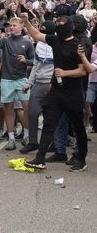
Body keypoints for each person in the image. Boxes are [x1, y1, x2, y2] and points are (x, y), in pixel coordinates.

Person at [21, 14, 88, 171]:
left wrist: (65, 73)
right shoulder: (55, 40)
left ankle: (81, 159)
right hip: (56, 91)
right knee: (49, 124)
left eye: (61, 23)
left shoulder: (78, 46)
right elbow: (36, 34)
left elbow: (83, 71)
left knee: (78, 127)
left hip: (73, 93)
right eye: (56, 23)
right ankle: (40, 158)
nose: (58, 25)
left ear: (70, 27)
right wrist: (26, 22)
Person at [0, 17, 34, 150]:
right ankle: (11, 138)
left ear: (21, 26)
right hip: (6, 80)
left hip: (22, 80)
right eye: (10, 25)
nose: (12, 27)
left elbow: (34, 61)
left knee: (26, 109)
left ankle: (26, 136)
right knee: (8, 110)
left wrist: (25, 61)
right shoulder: (4, 40)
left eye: (14, 25)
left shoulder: (27, 42)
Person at [20, 20, 55, 154]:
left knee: (50, 115)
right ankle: (33, 142)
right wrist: (29, 83)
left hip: (52, 84)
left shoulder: (57, 44)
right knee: (32, 112)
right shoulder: (39, 45)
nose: (42, 34)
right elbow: (35, 65)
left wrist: (55, 83)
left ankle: (52, 143)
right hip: (38, 83)